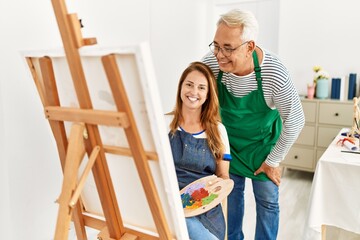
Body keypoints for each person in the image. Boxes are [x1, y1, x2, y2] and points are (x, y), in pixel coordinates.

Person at [201, 9, 305, 240]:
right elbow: (194, 93)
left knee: (267, 202)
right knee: (232, 199)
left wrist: (273, 161)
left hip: (263, 147)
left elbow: (296, 120)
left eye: (228, 48)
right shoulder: (211, 63)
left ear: (249, 47)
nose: (219, 54)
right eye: (216, 45)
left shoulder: (274, 72)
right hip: (230, 148)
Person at [166, 61, 232, 240]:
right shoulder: (164, 124)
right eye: (189, 84)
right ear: (181, 87)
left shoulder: (218, 131)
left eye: (201, 88)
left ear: (208, 94)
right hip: (169, 204)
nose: (194, 92)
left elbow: (223, 177)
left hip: (205, 208)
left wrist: (212, 193)